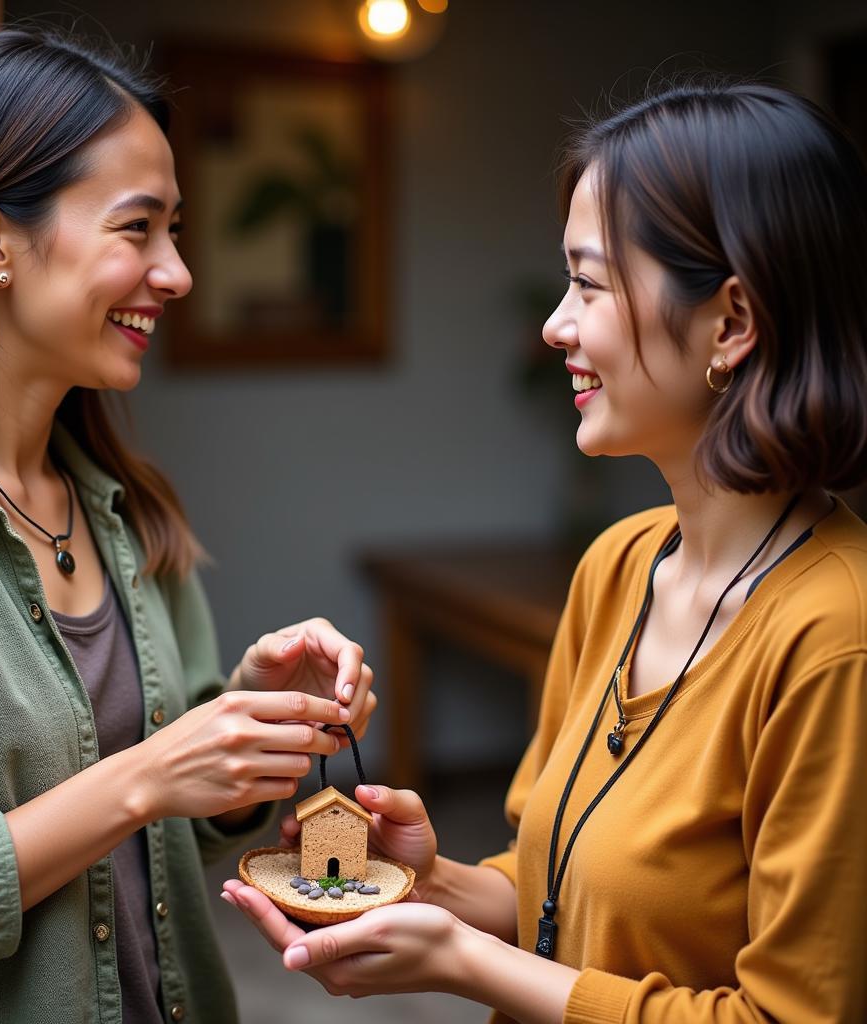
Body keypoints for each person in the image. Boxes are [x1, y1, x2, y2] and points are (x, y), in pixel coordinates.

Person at [224, 78, 867, 1023]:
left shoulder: (833, 638)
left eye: (591, 282)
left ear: (730, 323)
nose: (555, 323)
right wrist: (427, 882)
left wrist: (464, 964)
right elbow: (552, 895)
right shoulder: (620, 566)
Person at [0, 26, 377, 1024]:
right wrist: (144, 774)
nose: (175, 273)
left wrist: (243, 723)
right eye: (139, 230)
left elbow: (178, 840)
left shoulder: (118, 503)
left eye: (177, 232)